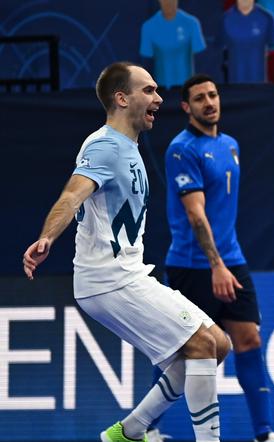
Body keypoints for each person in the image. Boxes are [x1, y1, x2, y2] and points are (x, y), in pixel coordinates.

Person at [22, 62, 230, 442]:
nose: (159, 98)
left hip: (128, 274)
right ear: (122, 98)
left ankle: (130, 432)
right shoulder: (104, 146)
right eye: (148, 90)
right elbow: (72, 193)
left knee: (217, 345)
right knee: (200, 346)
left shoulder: (127, 147)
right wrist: (47, 236)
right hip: (109, 280)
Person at [156, 73, 274, 442]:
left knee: (249, 341)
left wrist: (225, 263)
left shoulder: (230, 144)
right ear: (186, 107)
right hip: (192, 266)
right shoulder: (182, 149)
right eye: (199, 98)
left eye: (213, 95)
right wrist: (216, 266)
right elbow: (196, 214)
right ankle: (148, 429)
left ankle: (264, 434)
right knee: (180, 350)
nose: (209, 102)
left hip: (232, 259)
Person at [140, 0, 206, 89]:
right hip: (161, 90)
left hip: (187, 89)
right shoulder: (148, 26)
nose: (168, 2)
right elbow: (146, 61)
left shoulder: (192, 23)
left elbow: (201, 59)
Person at [224, 0, 274, 83]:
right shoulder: (225, 18)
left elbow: (273, 45)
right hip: (233, 85)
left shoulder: (267, 18)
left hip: (258, 84)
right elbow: (219, 47)